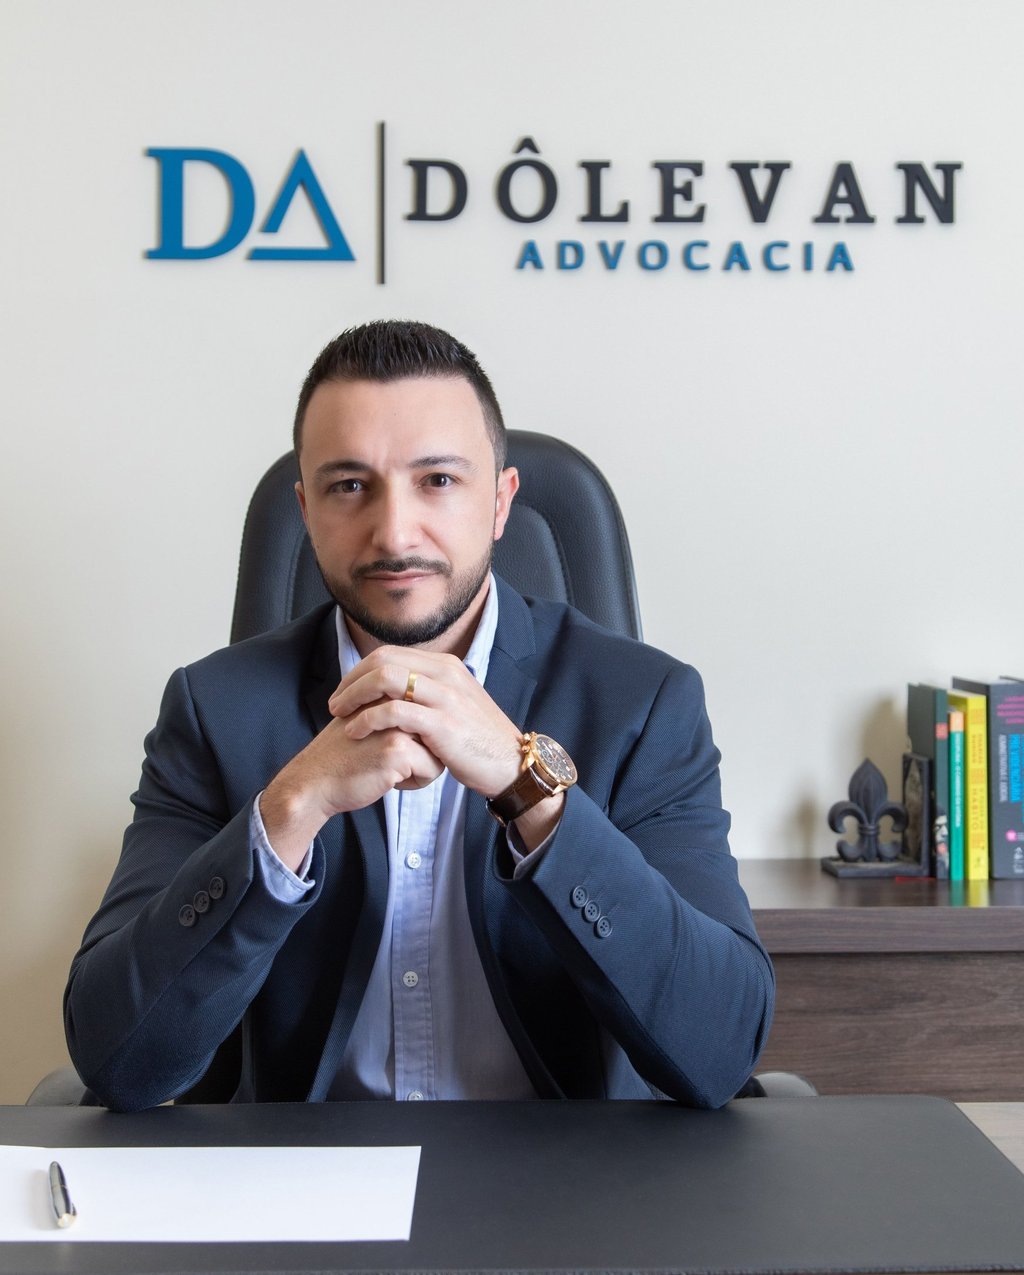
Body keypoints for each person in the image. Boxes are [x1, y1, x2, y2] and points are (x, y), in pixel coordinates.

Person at [65, 320, 774, 1112]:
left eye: (438, 479)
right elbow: (118, 1060)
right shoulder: (213, 710)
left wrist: (531, 790)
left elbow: (719, 1050)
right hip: (304, 1173)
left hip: (567, 1175)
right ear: (306, 510)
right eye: (349, 485)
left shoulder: (643, 703)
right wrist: (286, 812)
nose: (395, 531)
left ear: (500, 501)